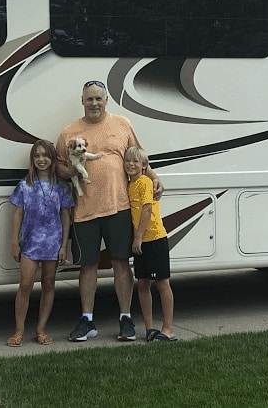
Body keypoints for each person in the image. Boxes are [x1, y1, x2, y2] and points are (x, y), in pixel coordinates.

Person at [56, 80, 163, 342]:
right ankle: (87, 320)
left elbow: (138, 156)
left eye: (98, 99)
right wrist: (70, 170)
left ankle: (126, 318)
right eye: (89, 99)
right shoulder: (69, 132)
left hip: (118, 207)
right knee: (88, 265)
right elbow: (59, 167)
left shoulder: (122, 124)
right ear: (82, 101)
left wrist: (154, 176)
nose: (94, 103)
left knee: (120, 263)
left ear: (106, 101)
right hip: (84, 210)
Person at [6, 140, 74, 347]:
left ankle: (41, 328)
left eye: (45, 155)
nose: (41, 160)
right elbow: (18, 213)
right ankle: (19, 330)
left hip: (52, 244)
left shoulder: (61, 187)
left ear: (53, 159)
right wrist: (14, 242)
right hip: (29, 244)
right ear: (32, 159)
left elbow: (65, 217)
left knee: (48, 284)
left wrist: (63, 245)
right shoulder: (25, 185)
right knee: (25, 285)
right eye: (37, 156)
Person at [125, 147, 177, 342]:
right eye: (128, 161)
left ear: (144, 166)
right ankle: (149, 327)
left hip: (154, 239)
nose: (131, 164)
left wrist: (137, 237)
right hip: (141, 243)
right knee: (143, 283)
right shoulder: (130, 185)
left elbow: (147, 210)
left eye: (136, 162)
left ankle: (168, 328)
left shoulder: (146, 182)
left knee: (162, 283)